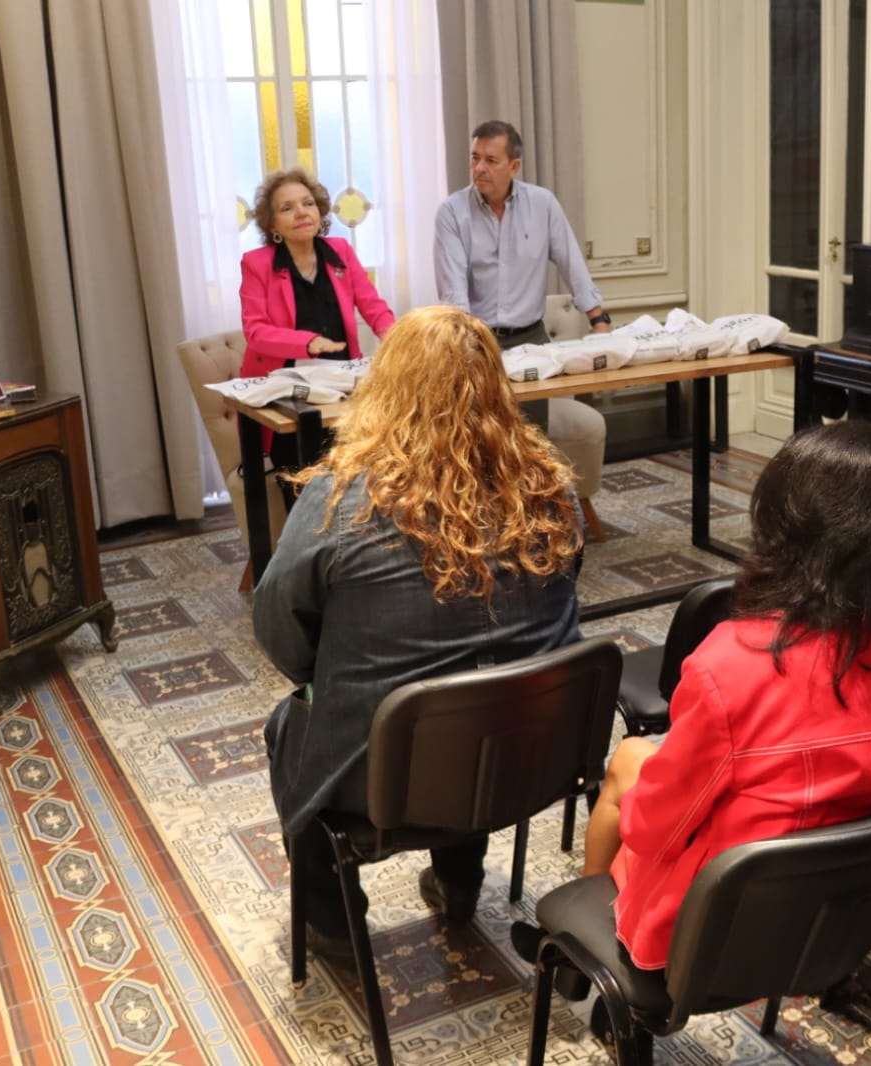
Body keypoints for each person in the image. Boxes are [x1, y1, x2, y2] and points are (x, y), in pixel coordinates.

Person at [513, 417, 871, 972]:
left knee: (630, 763)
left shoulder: (734, 664)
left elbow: (655, 830)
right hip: (854, 915)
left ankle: (580, 959)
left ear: (787, 528)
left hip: (715, 933)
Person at [253, 306, 583, 962]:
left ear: (386, 386)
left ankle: (332, 922)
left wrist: (329, 677)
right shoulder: (553, 490)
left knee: (289, 726)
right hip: (528, 756)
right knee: (478, 687)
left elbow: (280, 630)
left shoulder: (340, 501)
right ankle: (460, 882)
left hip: (384, 778)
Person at [239, 166, 395, 459]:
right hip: (287, 392)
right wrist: (308, 342)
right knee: (307, 468)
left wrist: (399, 341)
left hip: (342, 384)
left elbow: (373, 307)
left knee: (370, 459)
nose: (301, 212)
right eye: (287, 208)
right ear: (273, 225)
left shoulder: (340, 251)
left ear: (320, 212)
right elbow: (256, 332)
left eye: (308, 203)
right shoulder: (256, 264)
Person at [434, 119, 612, 349]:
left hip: (532, 337)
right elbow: (453, 292)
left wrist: (598, 320)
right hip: (477, 339)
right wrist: (466, 348)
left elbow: (572, 264)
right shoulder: (451, 212)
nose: (479, 168)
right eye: (475, 157)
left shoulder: (543, 204)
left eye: (491, 160)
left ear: (514, 167)